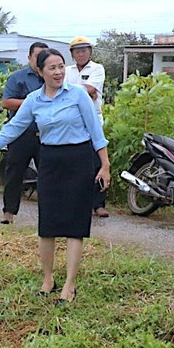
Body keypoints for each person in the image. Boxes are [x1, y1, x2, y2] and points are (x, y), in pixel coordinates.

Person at [0, 48, 110, 304]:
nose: (59, 72)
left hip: (79, 160)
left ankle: (69, 285)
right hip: (50, 161)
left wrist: (105, 165)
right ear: (40, 71)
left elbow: (96, 132)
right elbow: (10, 130)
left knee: (75, 225)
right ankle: (48, 279)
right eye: (52, 68)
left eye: (61, 66)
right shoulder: (34, 100)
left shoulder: (79, 94)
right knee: (47, 224)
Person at [0, 41, 48, 224]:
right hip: (21, 135)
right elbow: (7, 102)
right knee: (14, 174)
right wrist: (32, 103)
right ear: (29, 58)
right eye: (38, 56)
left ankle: (48, 216)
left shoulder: (51, 78)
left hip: (46, 136)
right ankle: (8, 214)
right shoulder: (17, 78)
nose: (41, 60)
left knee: (48, 176)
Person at [65, 36, 109, 218]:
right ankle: (74, 201)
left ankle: (99, 204)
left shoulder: (97, 68)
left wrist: (69, 90)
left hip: (92, 122)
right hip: (71, 123)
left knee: (97, 162)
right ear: (72, 54)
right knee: (72, 163)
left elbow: (90, 90)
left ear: (90, 52)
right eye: (77, 50)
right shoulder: (66, 70)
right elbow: (63, 89)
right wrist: (79, 90)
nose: (81, 53)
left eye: (84, 50)